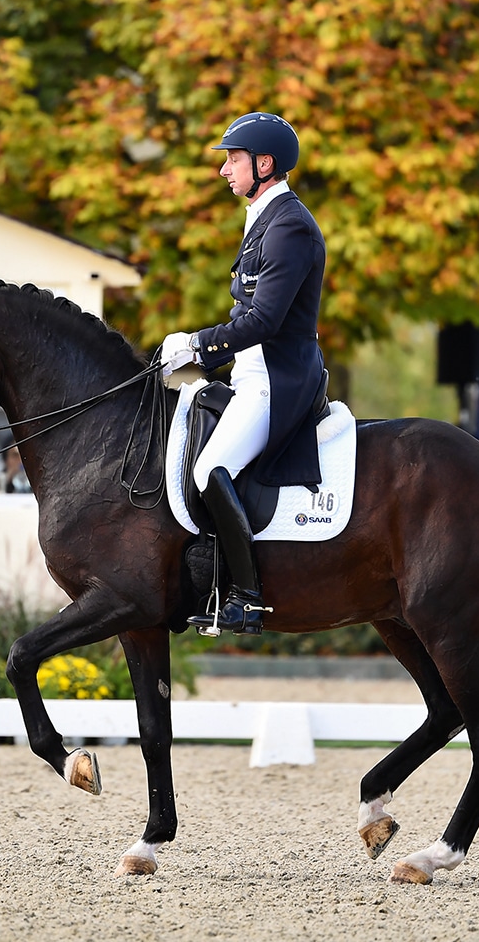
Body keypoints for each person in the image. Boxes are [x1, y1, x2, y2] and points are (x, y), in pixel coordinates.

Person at [160, 112, 327, 635]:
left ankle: (247, 596)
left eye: (232, 160)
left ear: (264, 163)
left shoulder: (290, 226)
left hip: (278, 381)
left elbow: (265, 320)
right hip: (249, 374)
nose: (224, 170)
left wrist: (197, 346)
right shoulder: (262, 219)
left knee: (211, 469)